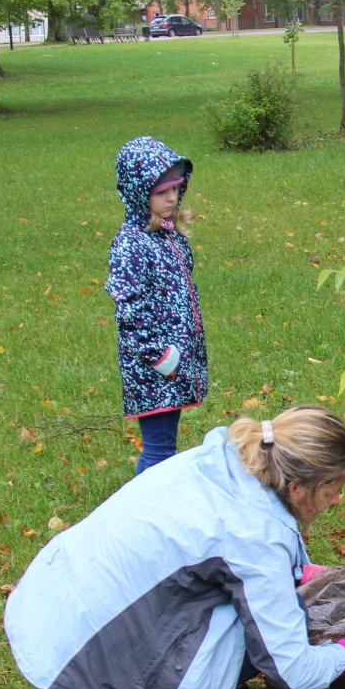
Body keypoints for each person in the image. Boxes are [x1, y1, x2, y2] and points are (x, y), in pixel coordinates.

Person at [4, 406, 345, 689]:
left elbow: (206, 547)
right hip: (88, 641)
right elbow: (291, 671)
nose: (337, 501)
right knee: (272, 625)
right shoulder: (255, 534)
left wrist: (292, 570)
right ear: (298, 486)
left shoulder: (225, 461)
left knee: (271, 605)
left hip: (59, 602)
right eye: (332, 489)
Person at [108, 136, 209, 474]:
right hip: (154, 368)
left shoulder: (167, 236)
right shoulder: (131, 244)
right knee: (159, 452)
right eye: (161, 191)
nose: (171, 198)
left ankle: (154, 511)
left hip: (172, 363)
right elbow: (130, 312)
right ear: (139, 191)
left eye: (176, 189)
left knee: (164, 447)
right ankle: (144, 515)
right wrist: (161, 356)